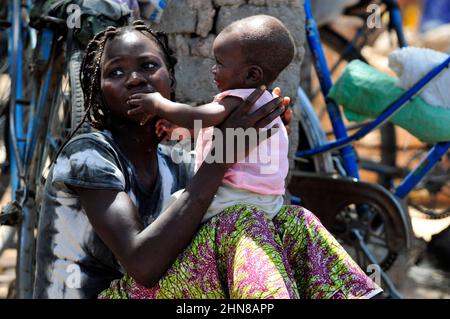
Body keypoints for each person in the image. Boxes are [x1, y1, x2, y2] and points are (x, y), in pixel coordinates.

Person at [33, 20, 382, 299]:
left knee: (293, 221)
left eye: (148, 66)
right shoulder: (88, 155)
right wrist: (222, 159)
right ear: (100, 88)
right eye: (116, 72)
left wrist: (260, 141)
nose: (135, 79)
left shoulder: (176, 159)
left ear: (171, 79)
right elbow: (143, 266)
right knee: (236, 222)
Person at [127, 15, 292, 222]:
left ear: (252, 75)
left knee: (175, 207)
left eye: (220, 64)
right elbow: (215, 128)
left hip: (233, 198)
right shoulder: (266, 104)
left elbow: (199, 117)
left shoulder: (237, 99)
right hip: (269, 201)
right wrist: (179, 128)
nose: (213, 70)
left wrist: (159, 104)